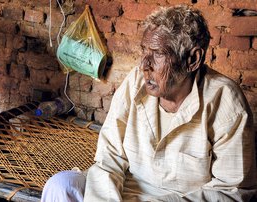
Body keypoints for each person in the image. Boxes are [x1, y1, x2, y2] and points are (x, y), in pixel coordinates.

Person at [41, 4, 257, 202]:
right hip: (122, 190)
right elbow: (109, 157)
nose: (145, 65)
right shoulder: (136, 82)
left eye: (158, 54)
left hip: (179, 199)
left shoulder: (226, 102)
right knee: (61, 186)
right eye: (144, 50)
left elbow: (231, 192)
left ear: (192, 60)